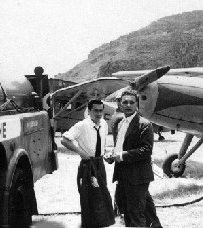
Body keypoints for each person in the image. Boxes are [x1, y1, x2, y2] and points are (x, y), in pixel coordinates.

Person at [108, 90, 162, 227]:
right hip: (123, 175)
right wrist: (112, 154)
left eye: (131, 102)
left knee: (135, 213)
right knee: (143, 210)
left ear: (137, 104)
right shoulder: (119, 123)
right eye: (125, 102)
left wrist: (121, 156)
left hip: (137, 176)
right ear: (120, 104)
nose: (128, 105)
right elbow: (120, 146)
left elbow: (146, 150)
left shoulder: (144, 124)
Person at [61, 99, 115, 227]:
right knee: (89, 196)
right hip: (88, 165)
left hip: (99, 164)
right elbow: (64, 140)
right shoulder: (82, 125)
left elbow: (101, 145)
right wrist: (80, 152)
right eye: (95, 110)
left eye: (101, 111)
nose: (98, 113)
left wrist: (106, 153)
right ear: (89, 111)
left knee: (102, 195)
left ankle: (102, 224)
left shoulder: (104, 125)